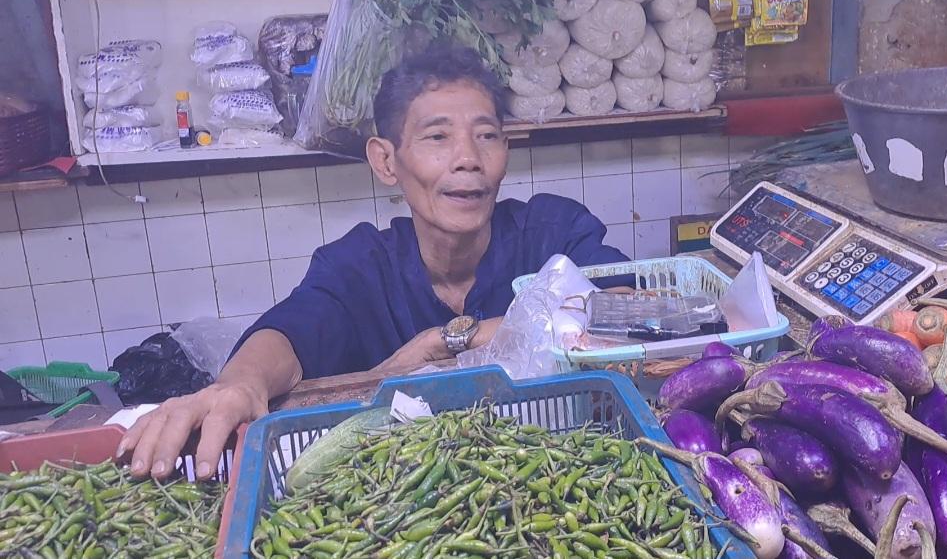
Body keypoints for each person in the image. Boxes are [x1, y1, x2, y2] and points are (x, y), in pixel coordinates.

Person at [118, 43, 629, 479]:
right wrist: (239, 384)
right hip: (401, 492)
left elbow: (625, 305)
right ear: (386, 160)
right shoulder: (359, 265)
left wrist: (451, 339)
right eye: (437, 137)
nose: (469, 157)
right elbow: (290, 332)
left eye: (487, 135)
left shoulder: (553, 233)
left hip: (554, 471)